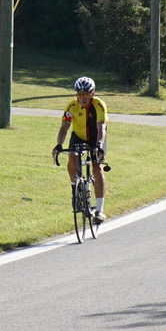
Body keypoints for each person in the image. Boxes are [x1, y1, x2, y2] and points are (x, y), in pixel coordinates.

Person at [52, 76, 107, 222]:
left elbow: (101, 126)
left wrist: (100, 145)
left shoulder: (99, 105)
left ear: (92, 93)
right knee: (72, 155)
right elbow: (64, 127)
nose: (82, 97)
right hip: (78, 136)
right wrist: (58, 145)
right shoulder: (72, 106)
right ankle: (75, 189)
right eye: (79, 94)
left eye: (85, 94)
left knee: (97, 167)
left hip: (96, 138)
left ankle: (100, 210)